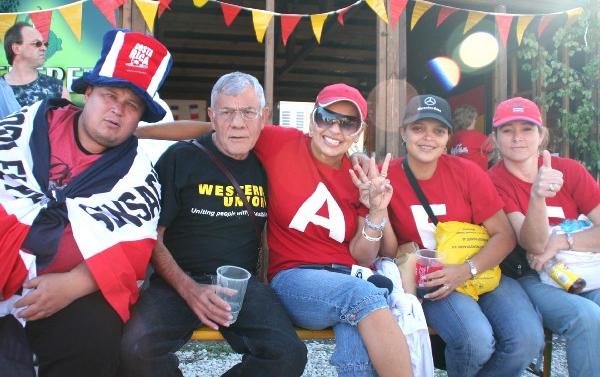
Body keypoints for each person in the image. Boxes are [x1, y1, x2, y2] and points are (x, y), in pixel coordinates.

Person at [135, 82, 414, 377]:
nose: (335, 129)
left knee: (351, 327)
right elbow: (216, 128)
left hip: (342, 278)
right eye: (326, 118)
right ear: (312, 118)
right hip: (295, 276)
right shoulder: (280, 142)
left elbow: (364, 253)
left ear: (360, 131)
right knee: (364, 297)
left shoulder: (359, 175)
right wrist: (135, 132)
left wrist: (377, 209)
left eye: (348, 123)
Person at [0, 28, 172, 376]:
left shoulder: (138, 176)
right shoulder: (22, 131)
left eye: (132, 105)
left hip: (70, 292)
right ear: (88, 92)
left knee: (96, 340)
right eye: (110, 95)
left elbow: (133, 249)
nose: (117, 111)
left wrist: (73, 285)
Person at [119, 72, 308, 377]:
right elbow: (152, 236)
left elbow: (326, 150)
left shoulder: (267, 161)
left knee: (289, 355)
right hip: (177, 283)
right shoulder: (181, 158)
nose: (237, 123)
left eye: (247, 112)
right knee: (134, 349)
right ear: (212, 116)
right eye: (226, 112)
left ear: (263, 117)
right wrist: (189, 289)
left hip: (241, 287)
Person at [376, 94, 544, 376]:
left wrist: (468, 269)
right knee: (475, 341)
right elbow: (389, 252)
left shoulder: (467, 173)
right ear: (403, 132)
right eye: (418, 128)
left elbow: (504, 235)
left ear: (448, 138)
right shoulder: (386, 176)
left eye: (438, 131)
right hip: (431, 281)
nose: (428, 138)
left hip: (481, 269)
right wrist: (379, 208)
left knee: (527, 340)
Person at [487, 97, 600, 377]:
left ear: (541, 135)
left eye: (526, 129)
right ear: (495, 137)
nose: (517, 138)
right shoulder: (492, 180)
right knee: (586, 318)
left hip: (585, 266)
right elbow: (534, 245)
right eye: (507, 130)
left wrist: (563, 241)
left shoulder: (570, 170)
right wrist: (538, 196)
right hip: (531, 276)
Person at [2, 21, 71, 107]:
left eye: (45, 44)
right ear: (16, 48)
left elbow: (66, 119)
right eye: (37, 43)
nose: (44, 48)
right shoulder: (2, 88)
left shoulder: (57, 88)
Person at [449, 104, 492, 171]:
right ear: (469, 120)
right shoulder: (474, 136)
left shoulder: (455, 138)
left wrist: (492, 156)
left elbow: (472, 159)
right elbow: (496, 145)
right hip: (476, 178)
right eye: (474, 119)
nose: (475, 121)